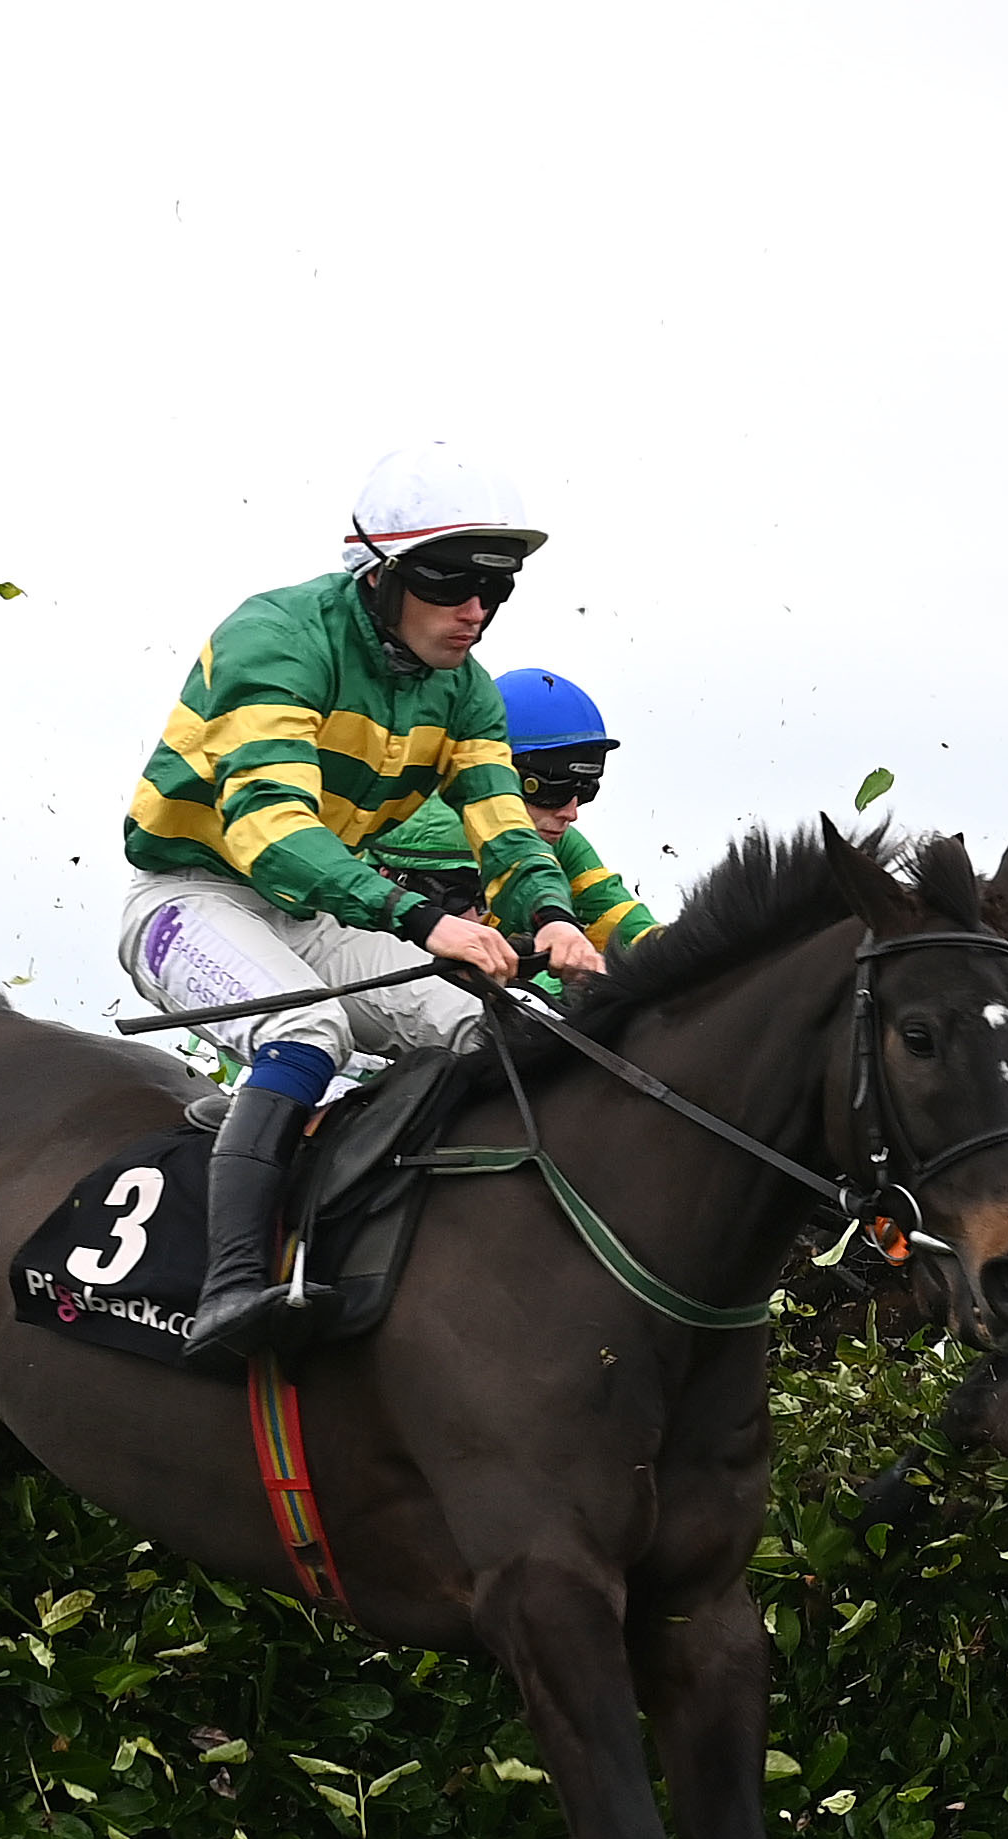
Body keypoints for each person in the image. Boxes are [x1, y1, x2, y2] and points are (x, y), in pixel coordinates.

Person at [117, 442, 607, 1361]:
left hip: (317, 916)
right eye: (451, 582)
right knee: (309, 1037)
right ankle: (231, 1290)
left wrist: (553, 918)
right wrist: (427, 919)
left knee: (504, 1033)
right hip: (191, 896)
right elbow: (271, 830)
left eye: (496, 590)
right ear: (378, 574)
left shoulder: (464, 692)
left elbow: (505, 827)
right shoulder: (274, 635)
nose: (474, 612)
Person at [371, 664, 660, 965]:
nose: (571, 813)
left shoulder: (558, 842)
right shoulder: (431, 831)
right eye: (555, 791)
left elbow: (619, 918)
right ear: (498, 775)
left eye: (585, 791)